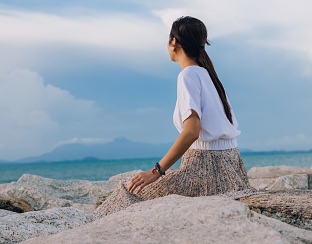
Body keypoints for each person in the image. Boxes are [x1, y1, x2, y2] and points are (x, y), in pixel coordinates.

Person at [93, 16, 258, 220]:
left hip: (204, 172)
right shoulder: (209, 76)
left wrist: (156, 171)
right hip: (231, 169)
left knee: (129, 190)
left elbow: (191, 131)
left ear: (174, 42)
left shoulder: (187, 75)